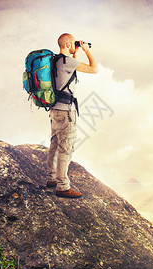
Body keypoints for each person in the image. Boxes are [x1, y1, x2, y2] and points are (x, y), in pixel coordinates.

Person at [46, 33, 98, 198]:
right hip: (66, 111)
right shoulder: (68, 62)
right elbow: (94, 69)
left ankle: (51, 178)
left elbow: (68, 75)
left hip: (54, 109)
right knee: (65, 148)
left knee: (54, 143)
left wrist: (75, 51)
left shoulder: (55, 61)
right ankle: (63, 186)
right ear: (68, 44)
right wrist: (86, 50)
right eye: (73, 43)